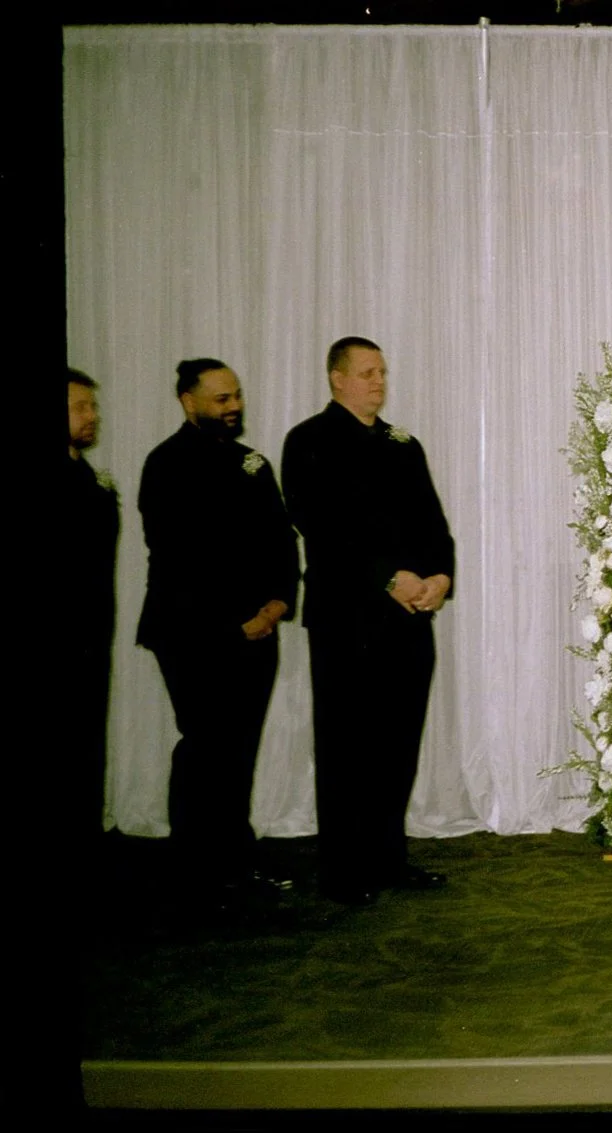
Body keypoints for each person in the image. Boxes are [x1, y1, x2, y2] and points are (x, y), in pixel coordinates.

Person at [282, 337, 455, 907]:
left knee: (397, 742)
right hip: (347, 619)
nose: (378, 381)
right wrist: (389, 576)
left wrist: (440, 578)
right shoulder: (309, 442)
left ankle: (388, 857)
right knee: (346, 745)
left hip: (408, 619)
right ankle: (342, 869)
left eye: (382, 371)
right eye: (366, 372)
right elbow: (321, 527)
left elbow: (434, 523)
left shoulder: (403, 446)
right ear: (336, 378)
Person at [137, 359, 300, 909]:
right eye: (221, 399)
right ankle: (194, 868)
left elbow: (282, 537)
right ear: (188, 401)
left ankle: (231, 865)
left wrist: (276, 603)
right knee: (207, 747)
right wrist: (237, 621)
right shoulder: (164, 464)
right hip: (192, 632)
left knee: (239, 750)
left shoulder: (251, 463)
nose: (234, 407)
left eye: (237, 396)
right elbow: (181, 555)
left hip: (259, 627)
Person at [65, 370, 119, 855]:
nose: (92, 416)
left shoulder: (92, 479)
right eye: (81, 406)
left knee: (86, 750)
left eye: (92, 406)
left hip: (90, 640)